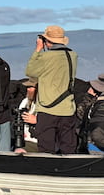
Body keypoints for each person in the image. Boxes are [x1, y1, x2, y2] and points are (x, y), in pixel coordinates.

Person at [24, 25, 78, 154]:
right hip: (67, 109)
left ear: (47, 41)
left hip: (47, 109)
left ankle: (48, 172)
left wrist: (38, 50)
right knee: (68, 148)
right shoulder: (73, 56)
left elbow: (30, 71)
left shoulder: (46, 57)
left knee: (46, 150)